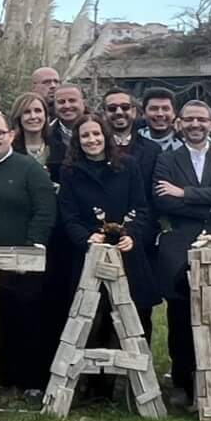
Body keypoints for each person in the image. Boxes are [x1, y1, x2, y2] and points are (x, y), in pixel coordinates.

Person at [152, 99, 211, 404]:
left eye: (201, 120)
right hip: (180, 241)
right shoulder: (167, 159)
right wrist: (209, 203)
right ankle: (182, 379)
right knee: (180, 311)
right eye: (189, 119)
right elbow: (163, 200)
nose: (195, 125)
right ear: (179, 123)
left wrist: (186, 194)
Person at [0, 113, 58, 392]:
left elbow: (45, 209)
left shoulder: (29, 169)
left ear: (10, 135)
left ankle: (30, 380)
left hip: (21, 264)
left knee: (24, 320)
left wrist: (32, 246)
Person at [57, 114, 160, 359]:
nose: (91, 140)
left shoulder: (129, 165)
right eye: (85, 135)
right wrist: (86, 239)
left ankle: (135, 371)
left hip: (126, 251)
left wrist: (133, 235)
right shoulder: (70, 171)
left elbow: (141, 207)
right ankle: (94, 382)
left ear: (105, 136)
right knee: (93, 317)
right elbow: (69, 216)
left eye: (96, 134)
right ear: (77, 141)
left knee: (136, 314)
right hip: (90, 253)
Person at [47, 84, 86, 171]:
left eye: (72, 100)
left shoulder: (101, 131)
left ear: (83, 102)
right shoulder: (46, 136)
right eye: (61, 102)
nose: (67, 106)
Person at [10, 93, 51, 168]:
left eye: (38, 111)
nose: (33, 116)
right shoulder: (9, 149)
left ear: (45, 115)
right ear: (18, 117)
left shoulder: (58, 148)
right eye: (27, 112)